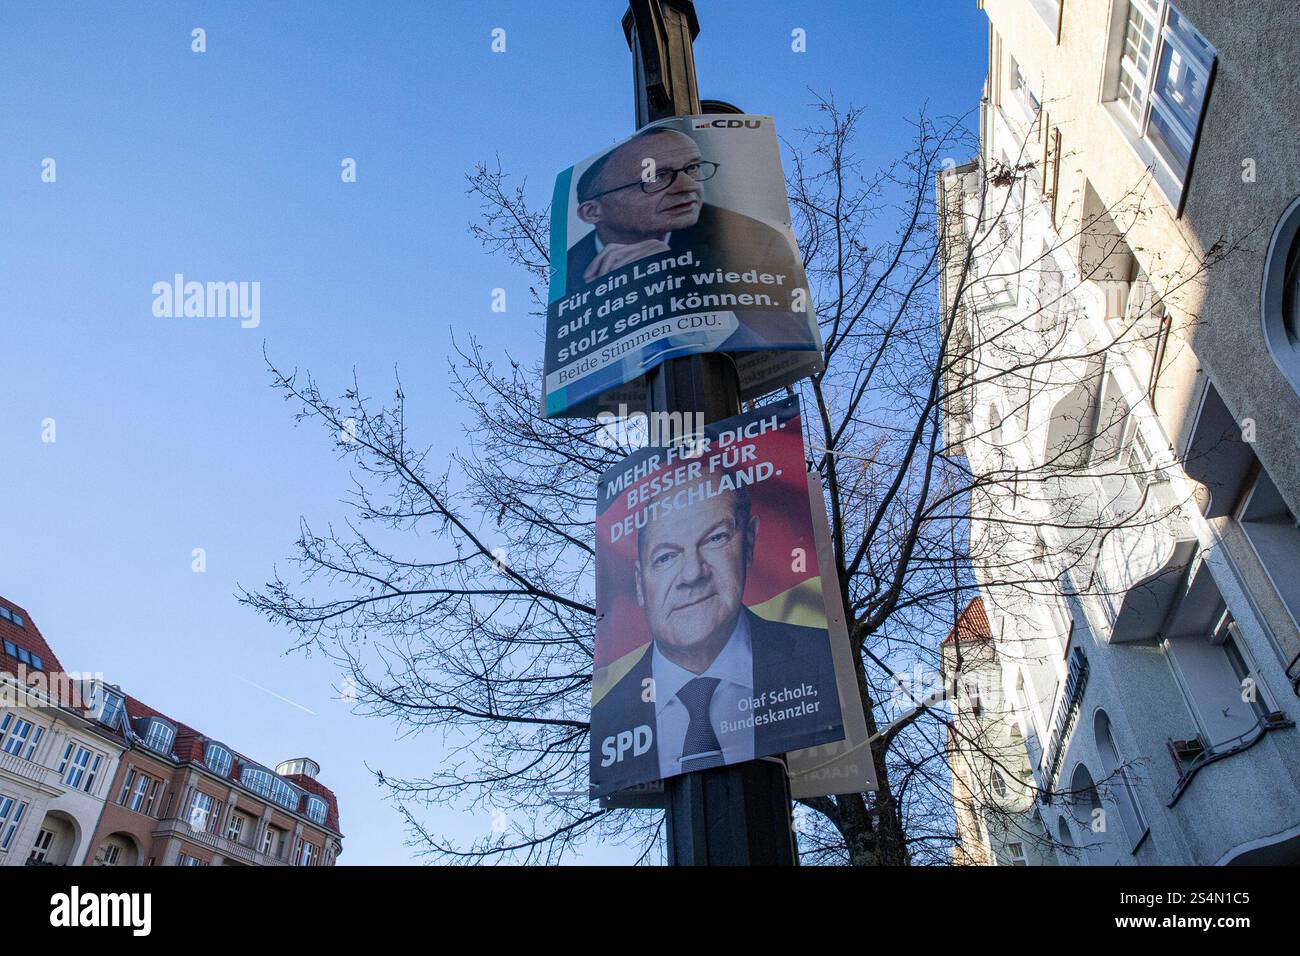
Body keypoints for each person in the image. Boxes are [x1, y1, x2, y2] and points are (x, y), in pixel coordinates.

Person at [590, 480, 842, 794]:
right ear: (640, 584)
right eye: (666, 557)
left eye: (715, 538)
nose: (693, 573)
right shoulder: (611, 717)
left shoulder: (822, 662)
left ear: (748, 542)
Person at [567, 127, 804, 295]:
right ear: (592, 212)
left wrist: (672, 278)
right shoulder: (568, 275)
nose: (689, 186)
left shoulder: (756, 242)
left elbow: (787, 338)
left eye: (693, 168)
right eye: (656, 177)